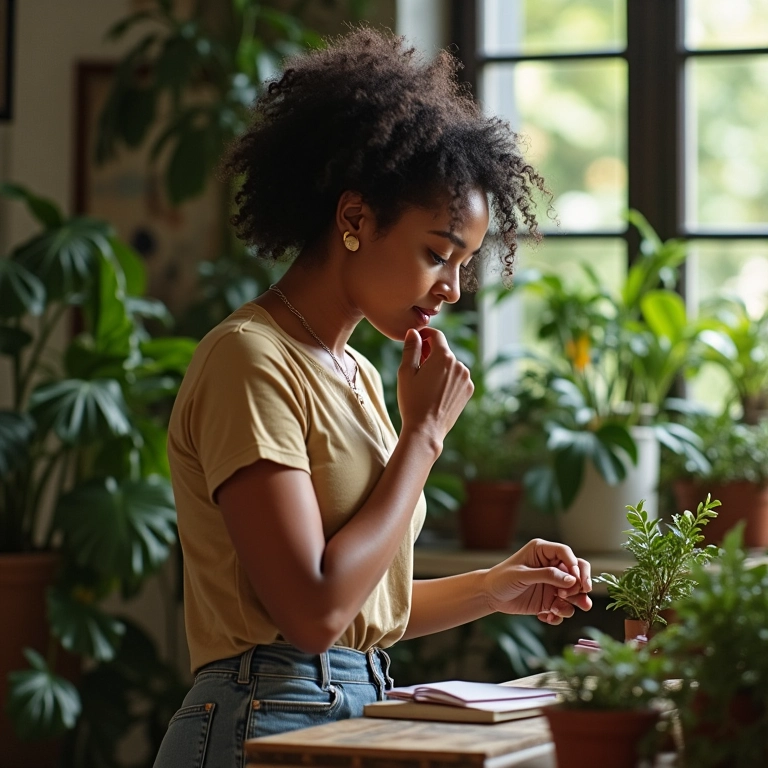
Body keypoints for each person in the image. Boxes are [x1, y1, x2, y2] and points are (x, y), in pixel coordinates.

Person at [153, 27, 592, 768]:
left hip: (353, 706)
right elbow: (312, 613)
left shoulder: (355, 374)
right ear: (354, 219)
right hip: (263, 719)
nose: (452, 288)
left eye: (463, 264)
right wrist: (422, 437)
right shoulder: (249, 359)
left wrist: (492, 587)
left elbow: (356, 609)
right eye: (436, 253)